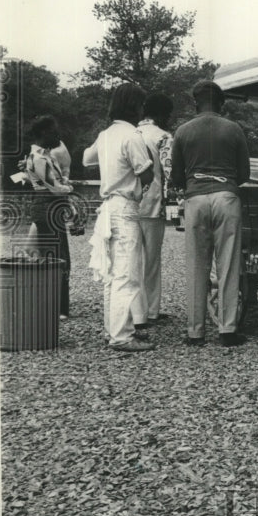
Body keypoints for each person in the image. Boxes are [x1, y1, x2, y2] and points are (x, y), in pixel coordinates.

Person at [170, 79, 250, 347]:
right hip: (227, 197)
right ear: (221, 103)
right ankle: (227, 330)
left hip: (195, 198)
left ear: (196, 103)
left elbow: (177, 177)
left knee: (196, 265)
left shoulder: (182, 132)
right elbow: (245, 174)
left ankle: (195, 332)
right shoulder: (234, 129)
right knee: (228, 264)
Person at [83, 84, 156, 354]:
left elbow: (86, 159)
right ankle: (122, 336)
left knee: (112, 274)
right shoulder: (132, 135)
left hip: (107, 206)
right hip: (125, 205)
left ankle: (112, 329)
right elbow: (145, 173)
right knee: (127, 273)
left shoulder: (105, 135)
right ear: (134, 107)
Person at [131, 92, 174, 329]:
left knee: (132, 259)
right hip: (153, 203)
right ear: (161, 114)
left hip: (129, 203)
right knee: (152, 261)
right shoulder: (164, 136)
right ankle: (151, 311)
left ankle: (133, 311)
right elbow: (170, 171)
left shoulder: (130, 133)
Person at [24, 115, 74, 318]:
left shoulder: (43, 156)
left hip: (49, 208)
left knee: (56, 256)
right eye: (53, 131)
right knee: (55, 257)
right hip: (47, 208)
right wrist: (69, 187)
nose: (57, 134)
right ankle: (54, 307)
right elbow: (55, 187)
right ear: (44, 133)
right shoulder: (39, 158)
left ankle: (57, 305)